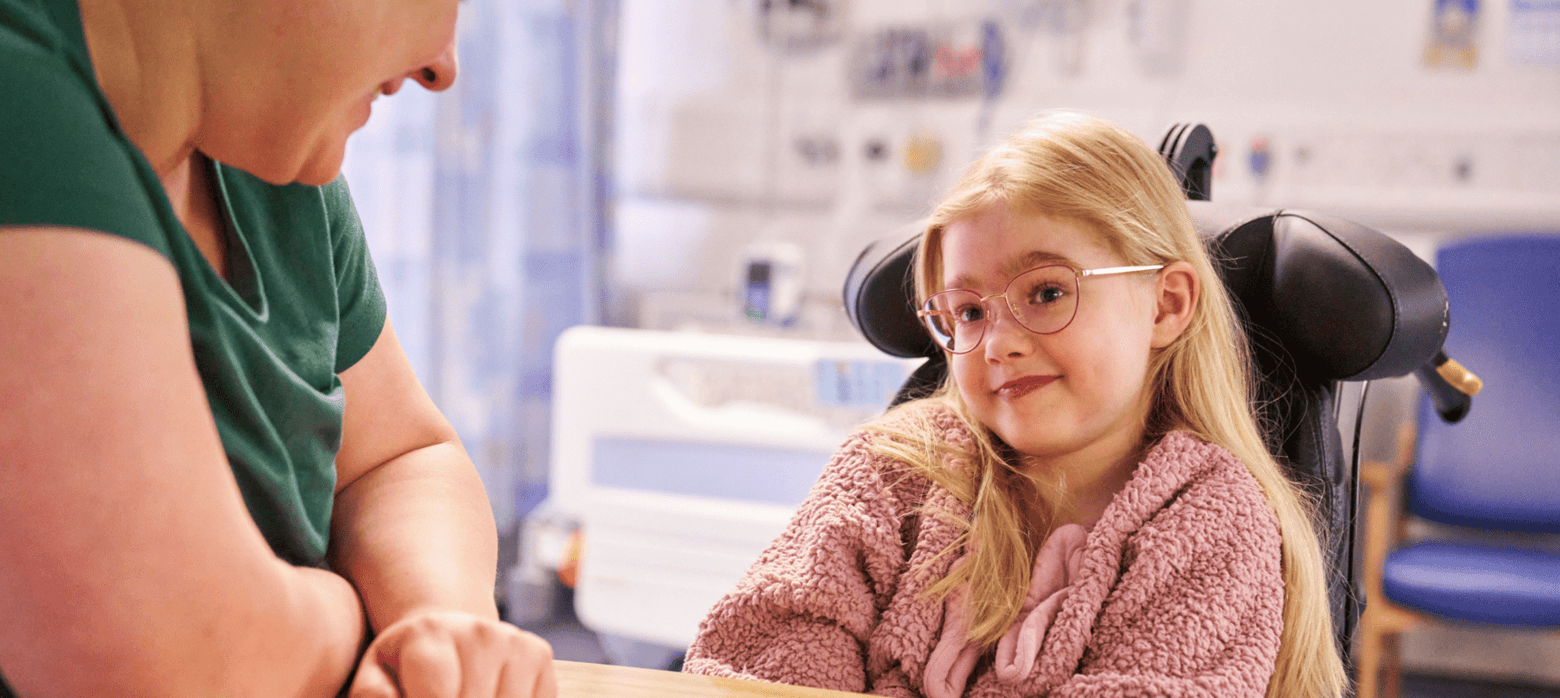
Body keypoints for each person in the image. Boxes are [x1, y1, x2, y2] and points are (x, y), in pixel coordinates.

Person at [683, 112, 1347, 698]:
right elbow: (762, 650)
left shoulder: (1215, 525)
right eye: (968, 312)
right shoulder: (889, 473)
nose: (998, 344)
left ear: (1167, 305)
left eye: (1047, 293)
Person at [0, 0, 555, 695]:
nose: (441, 67)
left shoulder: (273, 159)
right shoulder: (16, 98)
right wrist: (353, 617)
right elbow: (177, 654)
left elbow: (399, 457)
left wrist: (438, 633)